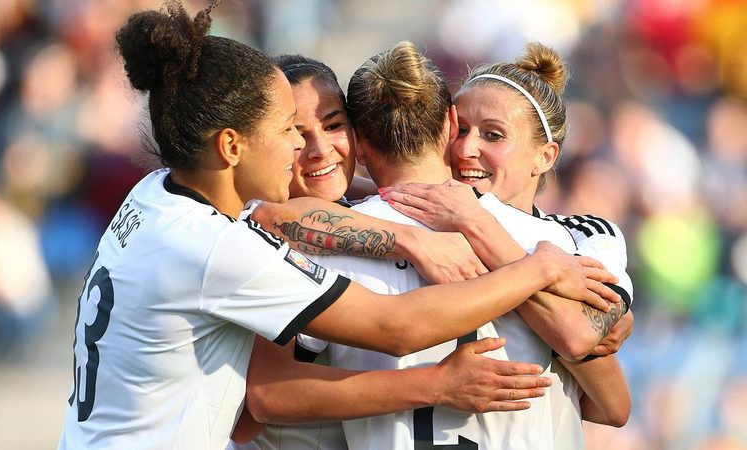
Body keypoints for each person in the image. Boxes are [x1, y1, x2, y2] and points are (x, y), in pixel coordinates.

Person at [57, 3, 615, 449]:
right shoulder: (227, 247)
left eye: (331, 124)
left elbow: (608, 373)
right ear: (231, 146)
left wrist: (401, 212)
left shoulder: (156, 195)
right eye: (288, 130)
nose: (306, 148)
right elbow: (388, 329)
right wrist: (535, 269)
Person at [242, 41, 625, 450]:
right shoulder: (561, 243)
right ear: (450, 125)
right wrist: (538, 267)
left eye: (493, 135)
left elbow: (265, 399)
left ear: (360, 144)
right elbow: (612, 399)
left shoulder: (318, 243)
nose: (471, 148)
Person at [381, 41, 634, 447]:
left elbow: (604, 390)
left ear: (545, 157)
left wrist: (477, 224)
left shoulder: (584, 235)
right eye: (460, 130)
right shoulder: (418, 215)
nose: (466, 149)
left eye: (493, 135)